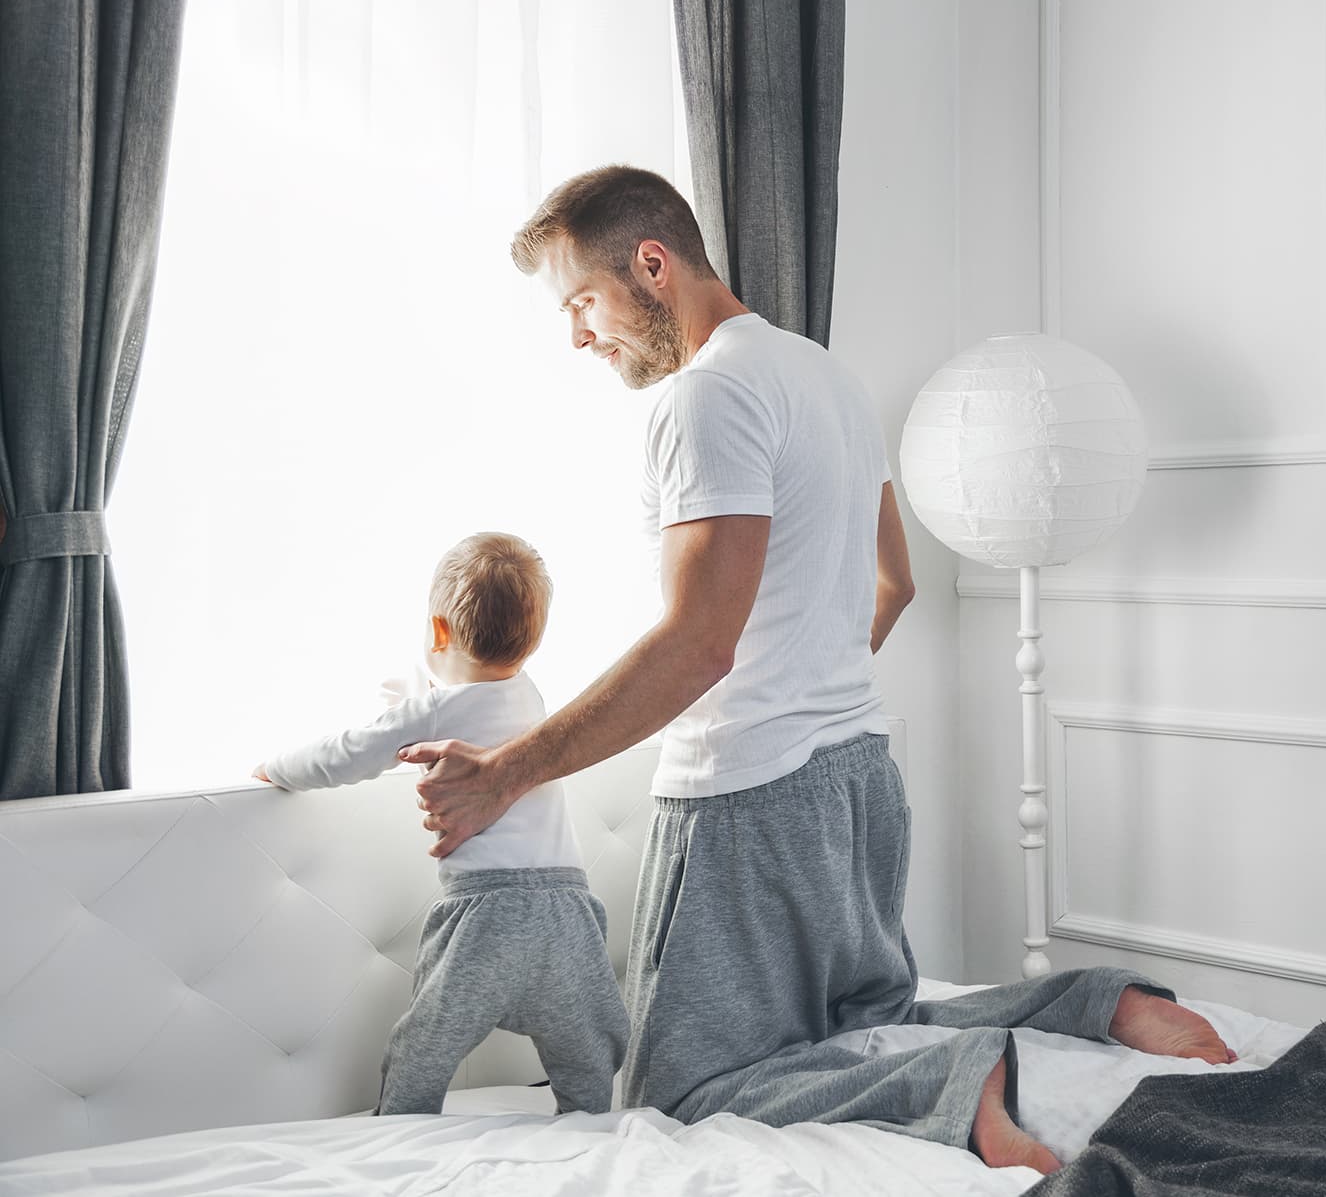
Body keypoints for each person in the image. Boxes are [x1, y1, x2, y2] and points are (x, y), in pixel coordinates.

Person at [399, 167, 1231, 1174]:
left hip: (745, 807)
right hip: (857, 782)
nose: (579, 335)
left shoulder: (703, 399)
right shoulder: (822, 374)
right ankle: (1098, 1005)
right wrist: (809, 675)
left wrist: (505, 773)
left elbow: (701, 643)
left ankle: (950, 1087)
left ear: (651, 267)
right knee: (857, 1030)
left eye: (582, 302)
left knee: (679, 1097)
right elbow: (896, 581)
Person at [255, 532, 627, 1116]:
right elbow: (455, 700)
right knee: (583, 1042)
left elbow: (348, 752)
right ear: (533, 642)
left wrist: (275, 768)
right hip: (568, 910)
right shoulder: (534, 701)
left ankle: (402, 1125)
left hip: (485, 916)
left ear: (438, 631)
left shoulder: (433, 711)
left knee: (428, 1041)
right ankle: (589, 1122)